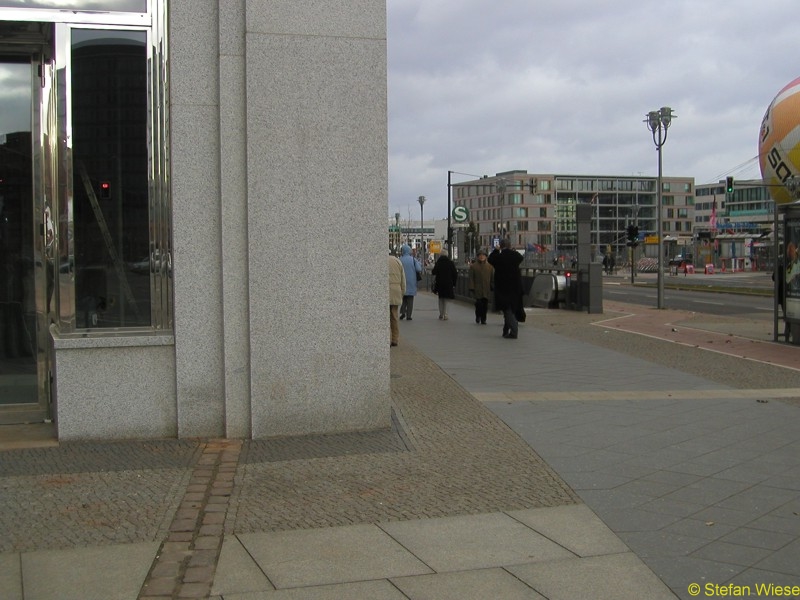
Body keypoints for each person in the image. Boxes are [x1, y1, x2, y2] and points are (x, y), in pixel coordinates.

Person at [488, 238, 523, 339]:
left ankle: (514, 330)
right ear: (510, 245)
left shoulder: (499, 257)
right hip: (515, 286)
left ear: (500, 245)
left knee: (506, 309)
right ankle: (505, 330)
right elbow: (520, 257)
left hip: (502, 286)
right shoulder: (515, 256)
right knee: (511, 308)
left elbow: (490, 259)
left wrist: (496, 250)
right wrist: (512, 250)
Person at [468, 248, 493, 324]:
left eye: (483, 255)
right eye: (480, 255)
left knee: (485, 305)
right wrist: (472, 287)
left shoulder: (490, 267)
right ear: (478, 256)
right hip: (477, 288)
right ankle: (478, 315)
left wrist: (492, 286)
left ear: (486, 257)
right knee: (478, 304)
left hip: (486, 288)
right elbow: (471, 278)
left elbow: (492, 277)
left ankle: (484, 318)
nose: (482, 257)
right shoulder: (474, 266)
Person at [431, 249, 457, 320]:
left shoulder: (438, 263)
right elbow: (455, 274)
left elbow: (433, 272)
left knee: (441, 298)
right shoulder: (450, 263)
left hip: (439, 283)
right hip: (448, 283)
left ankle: (441, 314)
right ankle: (446, 314)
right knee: (447, 299)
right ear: (447, 255)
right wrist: (454, 283)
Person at [398, 244, 422, 321]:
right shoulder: (413, 259)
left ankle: (402, 312)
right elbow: (419, 269)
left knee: (403, 298)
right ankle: (409, 315)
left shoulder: (400, 259)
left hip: (402, 281)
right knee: (410, 299)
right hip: (411, 281)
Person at [388, 253, 406, 347]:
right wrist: (402, 291)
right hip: (396, 291)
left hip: (385, 290)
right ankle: (395, 339)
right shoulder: (398, 262)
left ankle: (386, 338)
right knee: (394, 316)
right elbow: (403, 279)